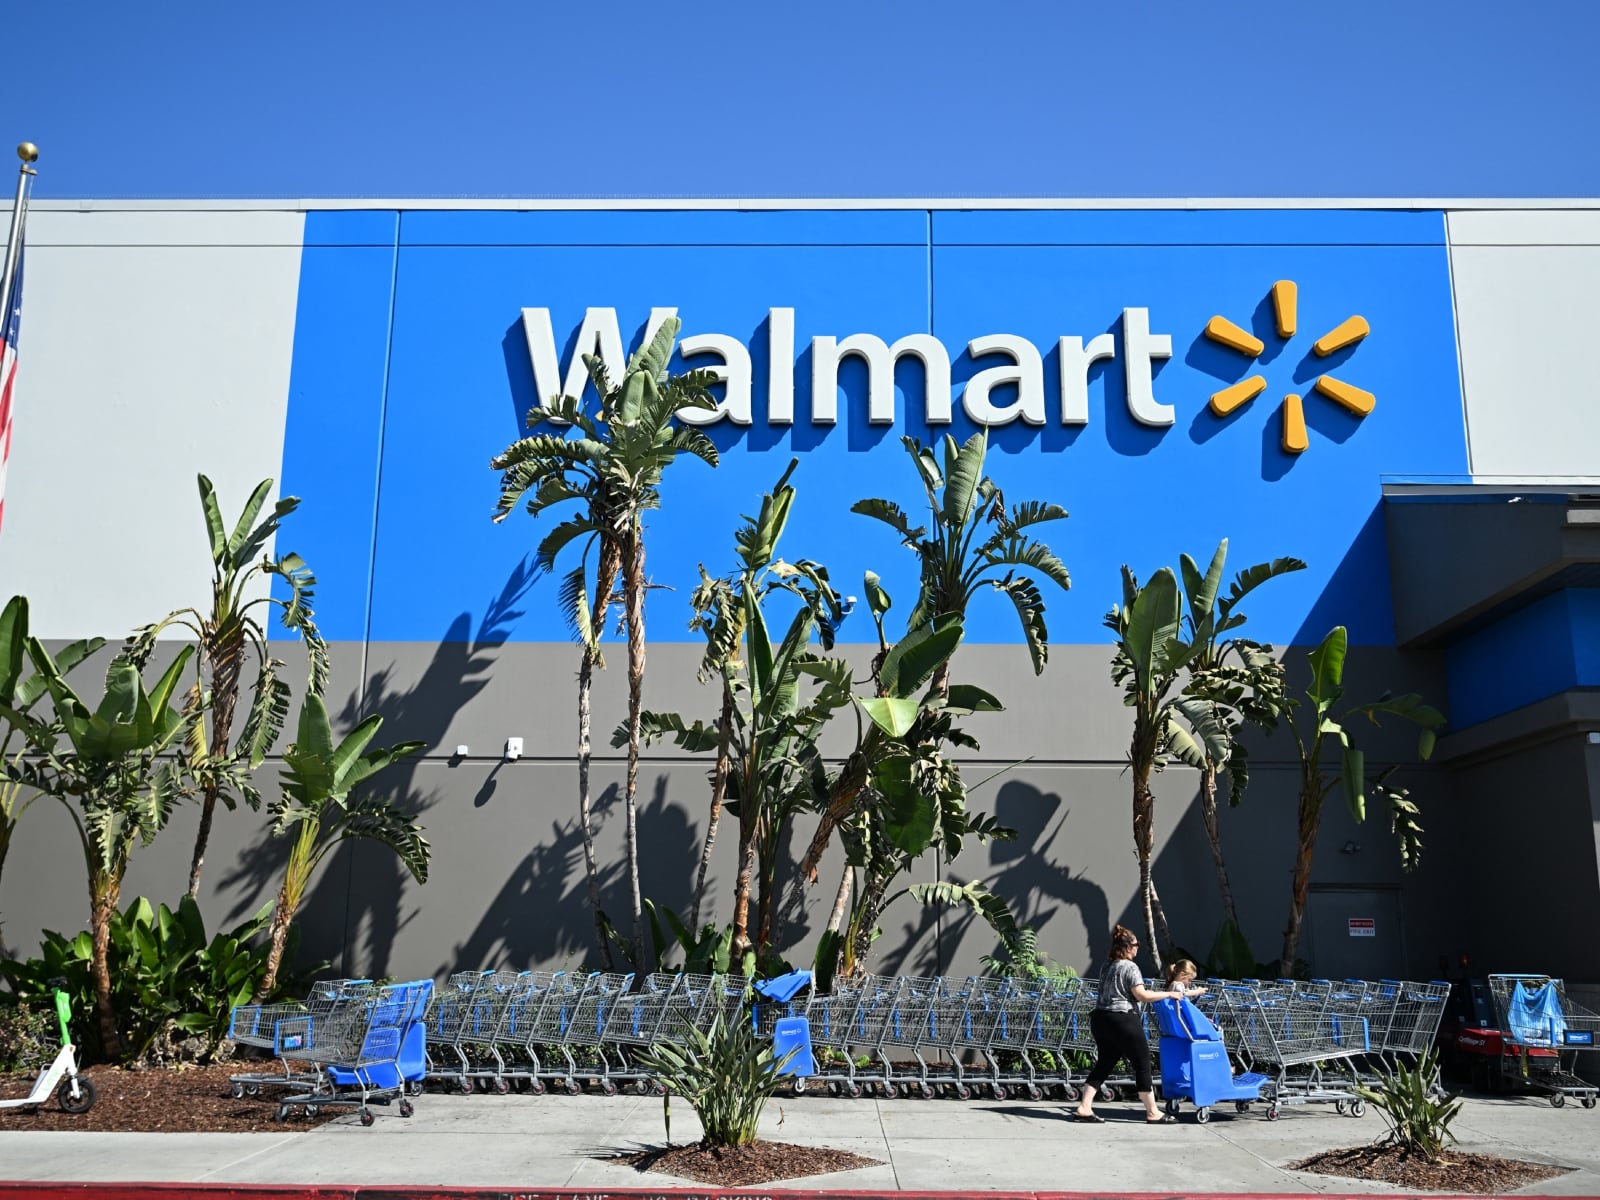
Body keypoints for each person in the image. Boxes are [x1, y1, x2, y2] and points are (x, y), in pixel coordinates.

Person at [1073, 926, 1205, 1124]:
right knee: (1143, 1064)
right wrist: (1169, 993)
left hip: (1101, 1019)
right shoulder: (1130, 967)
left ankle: (1084, 1106)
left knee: (1105, 1063)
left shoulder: (1107, 965)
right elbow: (1141, 995)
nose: (1138, 949)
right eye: (1136, 945)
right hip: (1122, 1019)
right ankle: (1153, 1112)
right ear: (1127, 947)